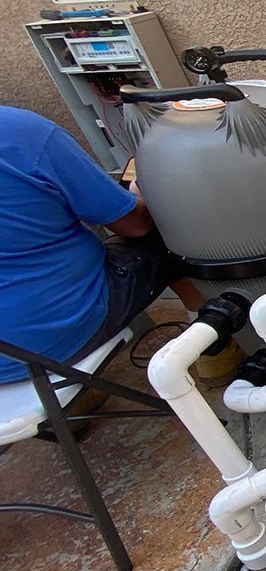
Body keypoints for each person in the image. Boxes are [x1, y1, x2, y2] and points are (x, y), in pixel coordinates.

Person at [0, 105, 185, 384]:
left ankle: (73, 402)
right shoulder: (20, 132)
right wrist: (141, 192)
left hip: (9, 355)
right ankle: (214, 347)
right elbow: (134, 225)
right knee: (170, 226)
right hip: (52, 340)